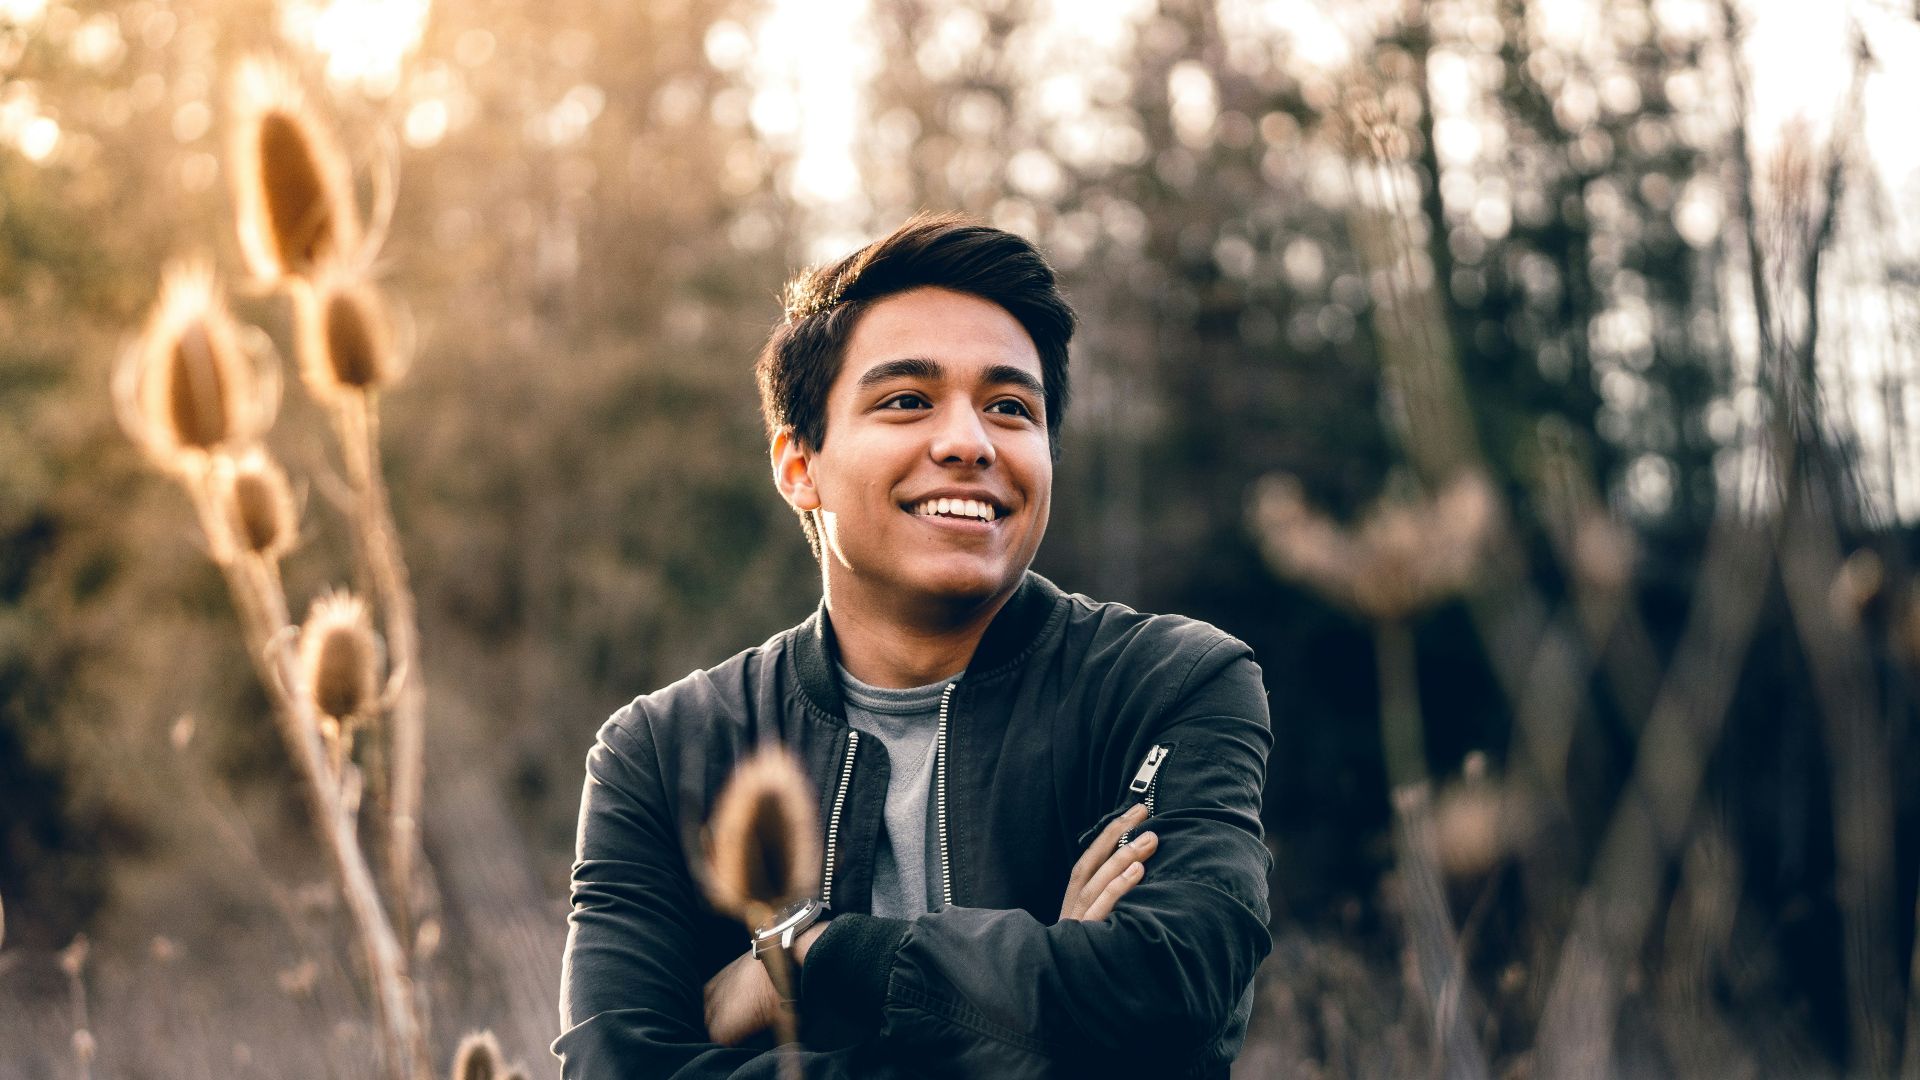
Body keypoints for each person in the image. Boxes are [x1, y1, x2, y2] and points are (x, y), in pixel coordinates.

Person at [555, 214, 1272, 1077]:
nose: (969, 442)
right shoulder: (664, 752)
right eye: (906, 401)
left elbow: (1174, 993)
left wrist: (815, 956)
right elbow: (613, 1067)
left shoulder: (1168, 685)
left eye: (1010, 408)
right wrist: (1046, 998)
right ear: (798, 465)